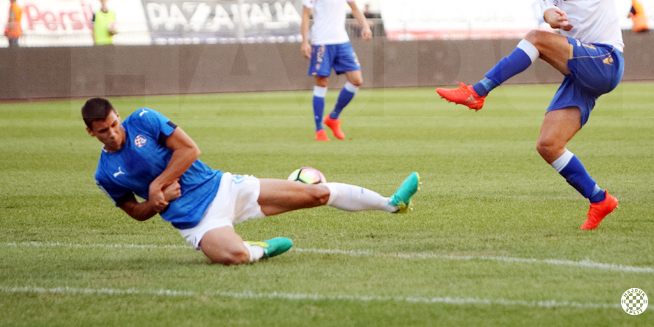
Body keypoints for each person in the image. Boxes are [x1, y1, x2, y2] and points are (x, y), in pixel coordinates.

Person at [436, 0, 654, 230]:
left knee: (536, 39)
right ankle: (599, 199)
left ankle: (478, 91)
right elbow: (549, 14)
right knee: (548, 145)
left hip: (607, 60)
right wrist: (554, 18)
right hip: (582, 74)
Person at [84, 98, 419, 265]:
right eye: (104, 131)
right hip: (195, 222)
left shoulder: (144, 119)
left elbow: (189, 150)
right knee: (235, 258)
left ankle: (391, 203)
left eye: (114, 124)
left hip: (225, 188)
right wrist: (153, 204)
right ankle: (263, 248)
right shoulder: (105, 173)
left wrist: (158, 186)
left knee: (315, 195)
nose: (113, 133)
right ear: (91, 132)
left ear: (118, 115)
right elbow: (135, 211)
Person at [301, 0, 372, 141]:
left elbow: (354, 7)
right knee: (322, 82)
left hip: (341, 40)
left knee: (356, 79)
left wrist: (365, 25)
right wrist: (305, 40)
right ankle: (319, 129)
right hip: (322, 42)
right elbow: (306, 14)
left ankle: (333, 117)